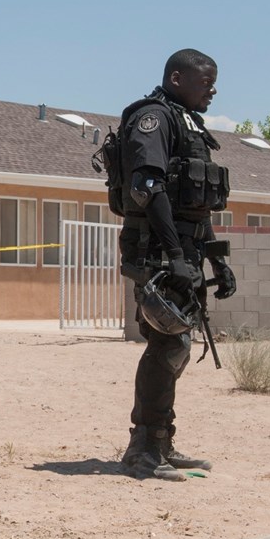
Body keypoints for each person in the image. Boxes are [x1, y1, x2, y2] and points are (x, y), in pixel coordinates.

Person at [115, 49, 236, 481]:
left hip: (184, 251)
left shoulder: (189, 124)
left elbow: (195, 204)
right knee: (166, 344)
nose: (213, 91)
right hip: (158, 252)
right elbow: (147, 188)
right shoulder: (154, 117)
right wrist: (177, 256)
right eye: (206, 83)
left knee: (178, 346)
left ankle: (161, 441)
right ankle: (143, 450)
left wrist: (216, 260)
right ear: (177, 78)